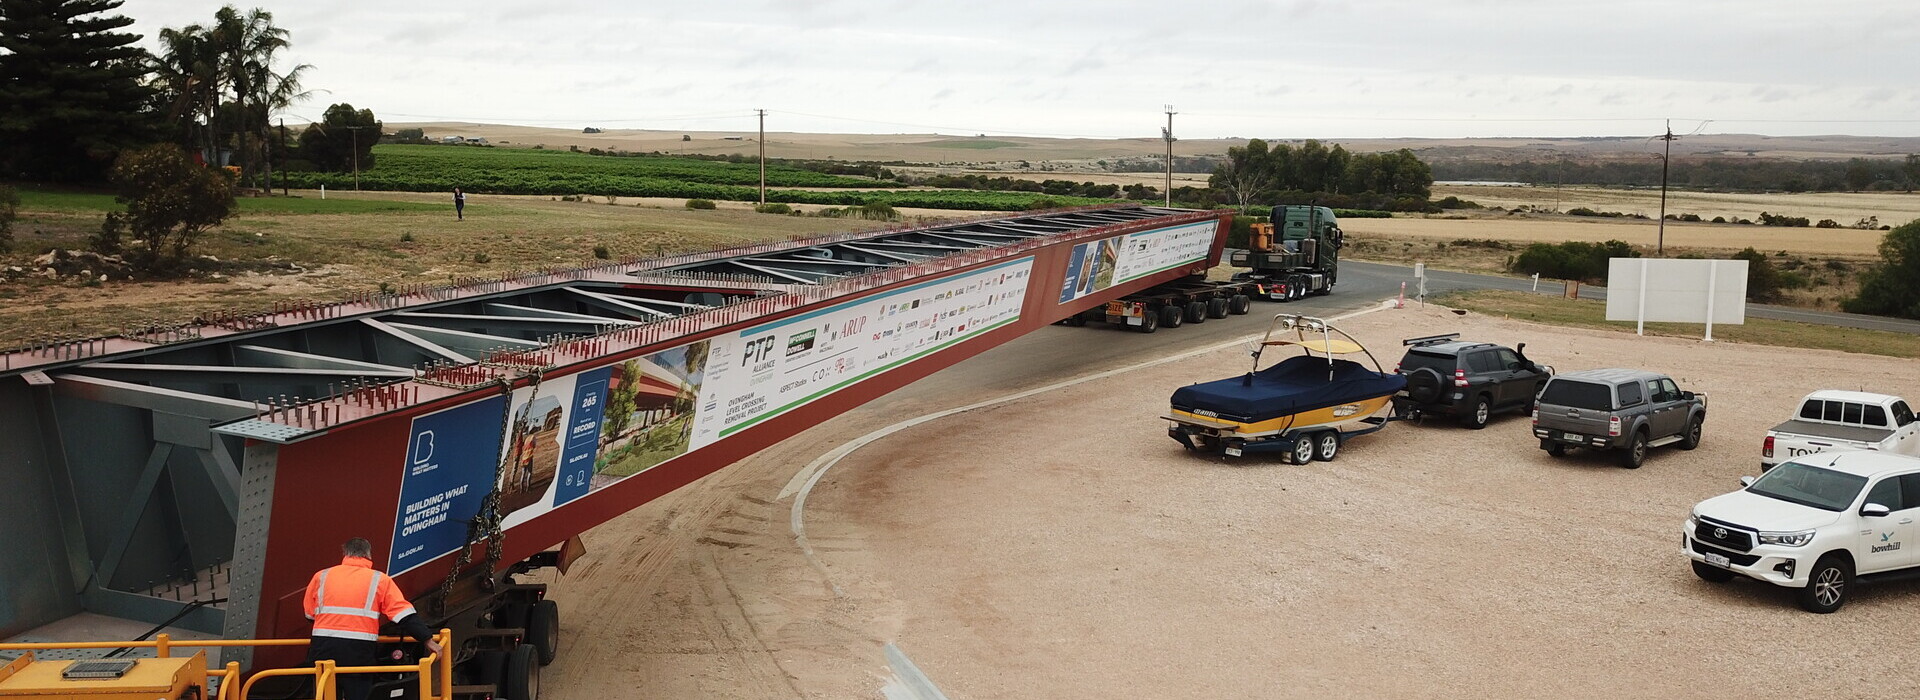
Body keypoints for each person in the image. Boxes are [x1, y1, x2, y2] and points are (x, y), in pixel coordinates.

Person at [304, 538, 443, 700]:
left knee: (324, 692)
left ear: (344, 553)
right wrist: (428, 640)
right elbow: (403, 614)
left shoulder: (322, 576)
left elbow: (309, 614)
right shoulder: (380, 580)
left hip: (323, 649)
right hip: (358, 653)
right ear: (368, 555)